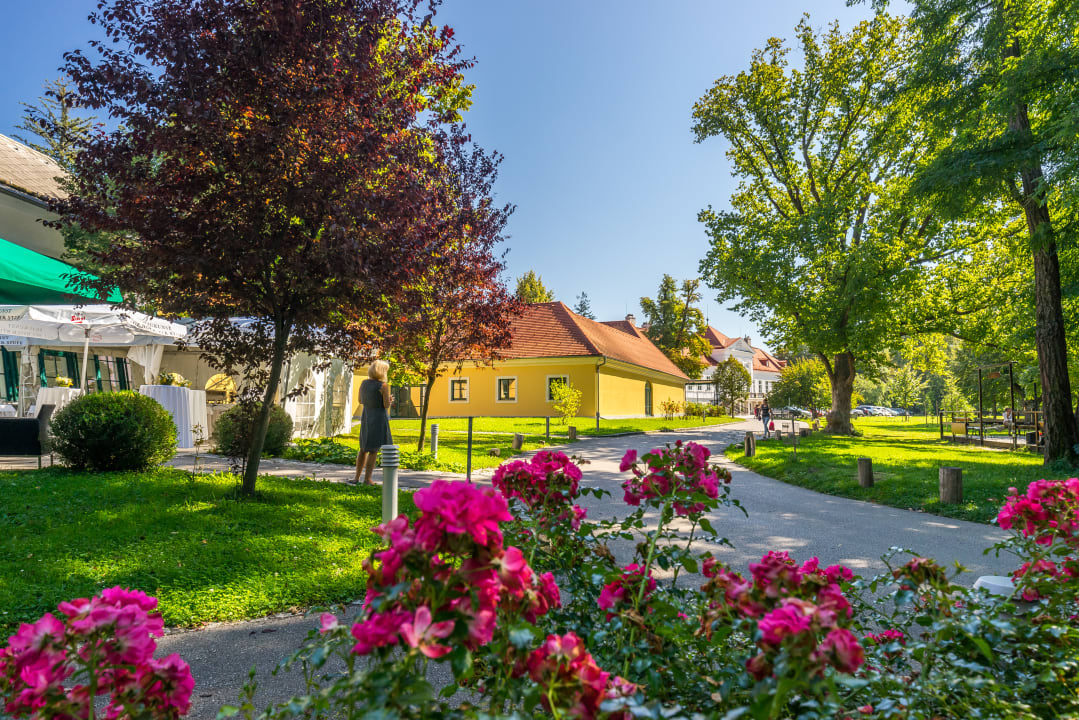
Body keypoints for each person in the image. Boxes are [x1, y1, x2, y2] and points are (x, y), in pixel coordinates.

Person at [354, 359, 393, 485]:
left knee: (363, 448)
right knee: (374, 449)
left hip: (366, 416)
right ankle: (367, 479)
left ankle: (356, 478)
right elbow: (386, 405)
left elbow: (360, 400)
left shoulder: (363, 383)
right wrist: (390, 399)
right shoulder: (383, 386)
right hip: (378, 417)